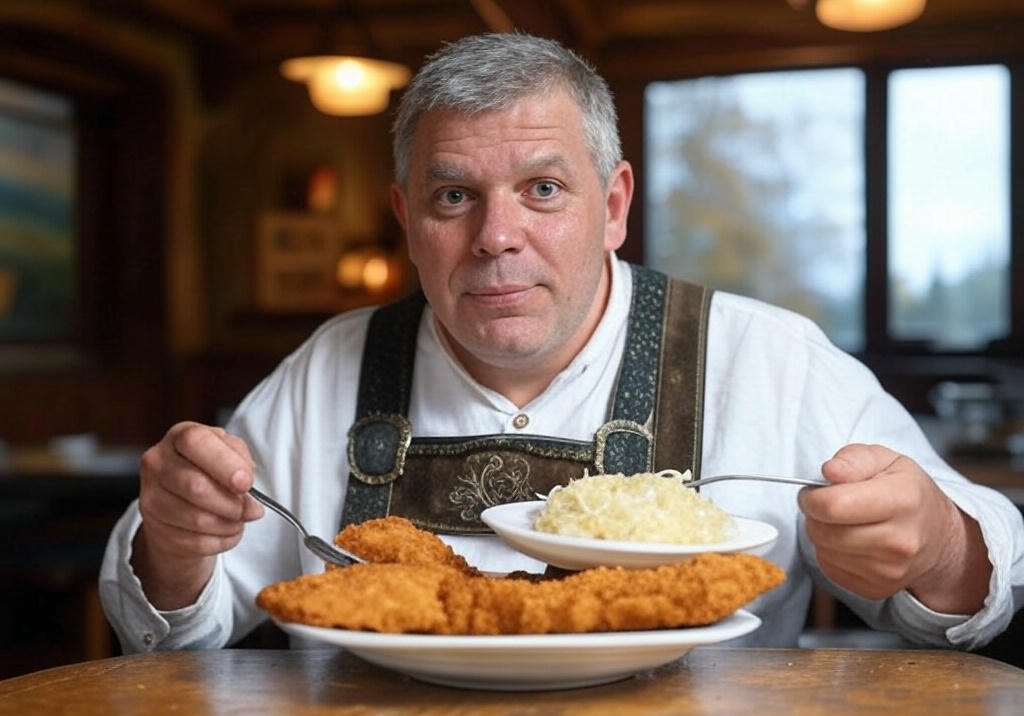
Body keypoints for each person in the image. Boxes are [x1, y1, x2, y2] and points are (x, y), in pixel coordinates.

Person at [100, 32, 1022, 654]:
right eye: (454, 195)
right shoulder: (326, 372)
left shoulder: (765, 357)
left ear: (613, 204)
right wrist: (177, 547)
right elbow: (172, 628)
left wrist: (938, 549)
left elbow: (991, 584)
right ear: (407, 219)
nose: (497, 236)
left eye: (543, 189)